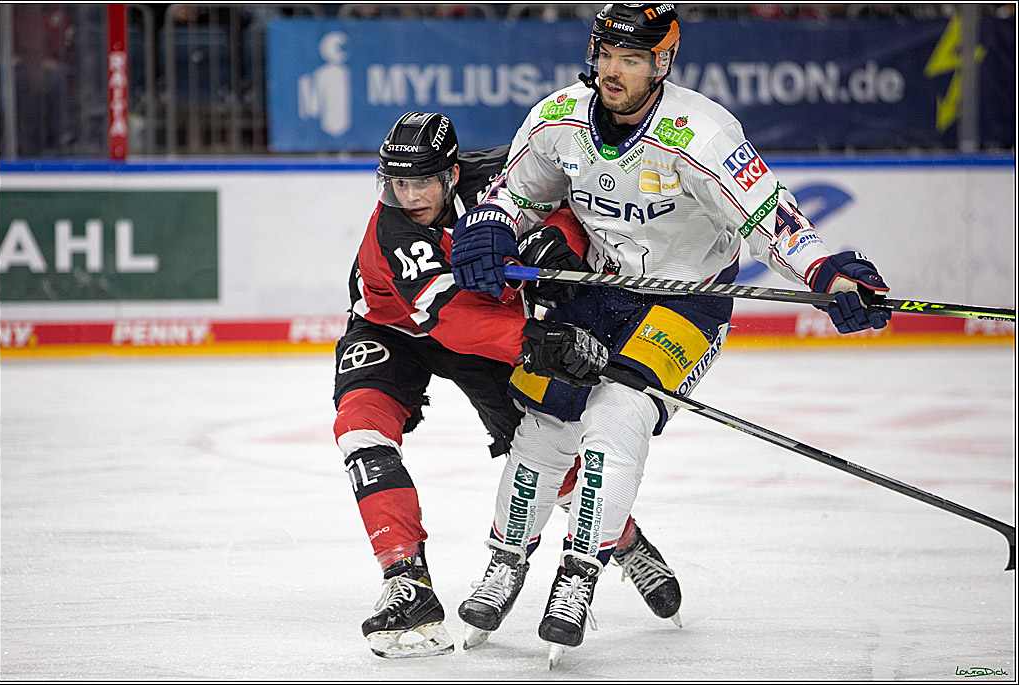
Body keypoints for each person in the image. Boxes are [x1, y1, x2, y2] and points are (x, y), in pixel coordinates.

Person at [450, 3, 891, 667]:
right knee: (544, 417)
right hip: (599, 288)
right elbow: (520, 193)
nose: (613, 71)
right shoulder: (558, 119)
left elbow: (770, 217)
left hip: (690, 303)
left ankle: (579, 573)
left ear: (663, 62)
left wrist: (825, 271)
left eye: (631, 59)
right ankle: (507, 562)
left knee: (619, 413)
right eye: (605, 55)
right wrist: (490, 224)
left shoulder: (702, 133)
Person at [333, 111, 684, 659]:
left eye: (421, 180)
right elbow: (451, 318)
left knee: (543, 456)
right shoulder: (393, 231)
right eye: (397, 183)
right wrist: (537, 339)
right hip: (398, 329)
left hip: (492, 335)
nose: (408, 195)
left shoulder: (503, 175)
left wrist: (557, 239)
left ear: (452, 174)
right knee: (360, 432)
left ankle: (623, 540)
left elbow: (577, 197)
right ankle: (407, 580)